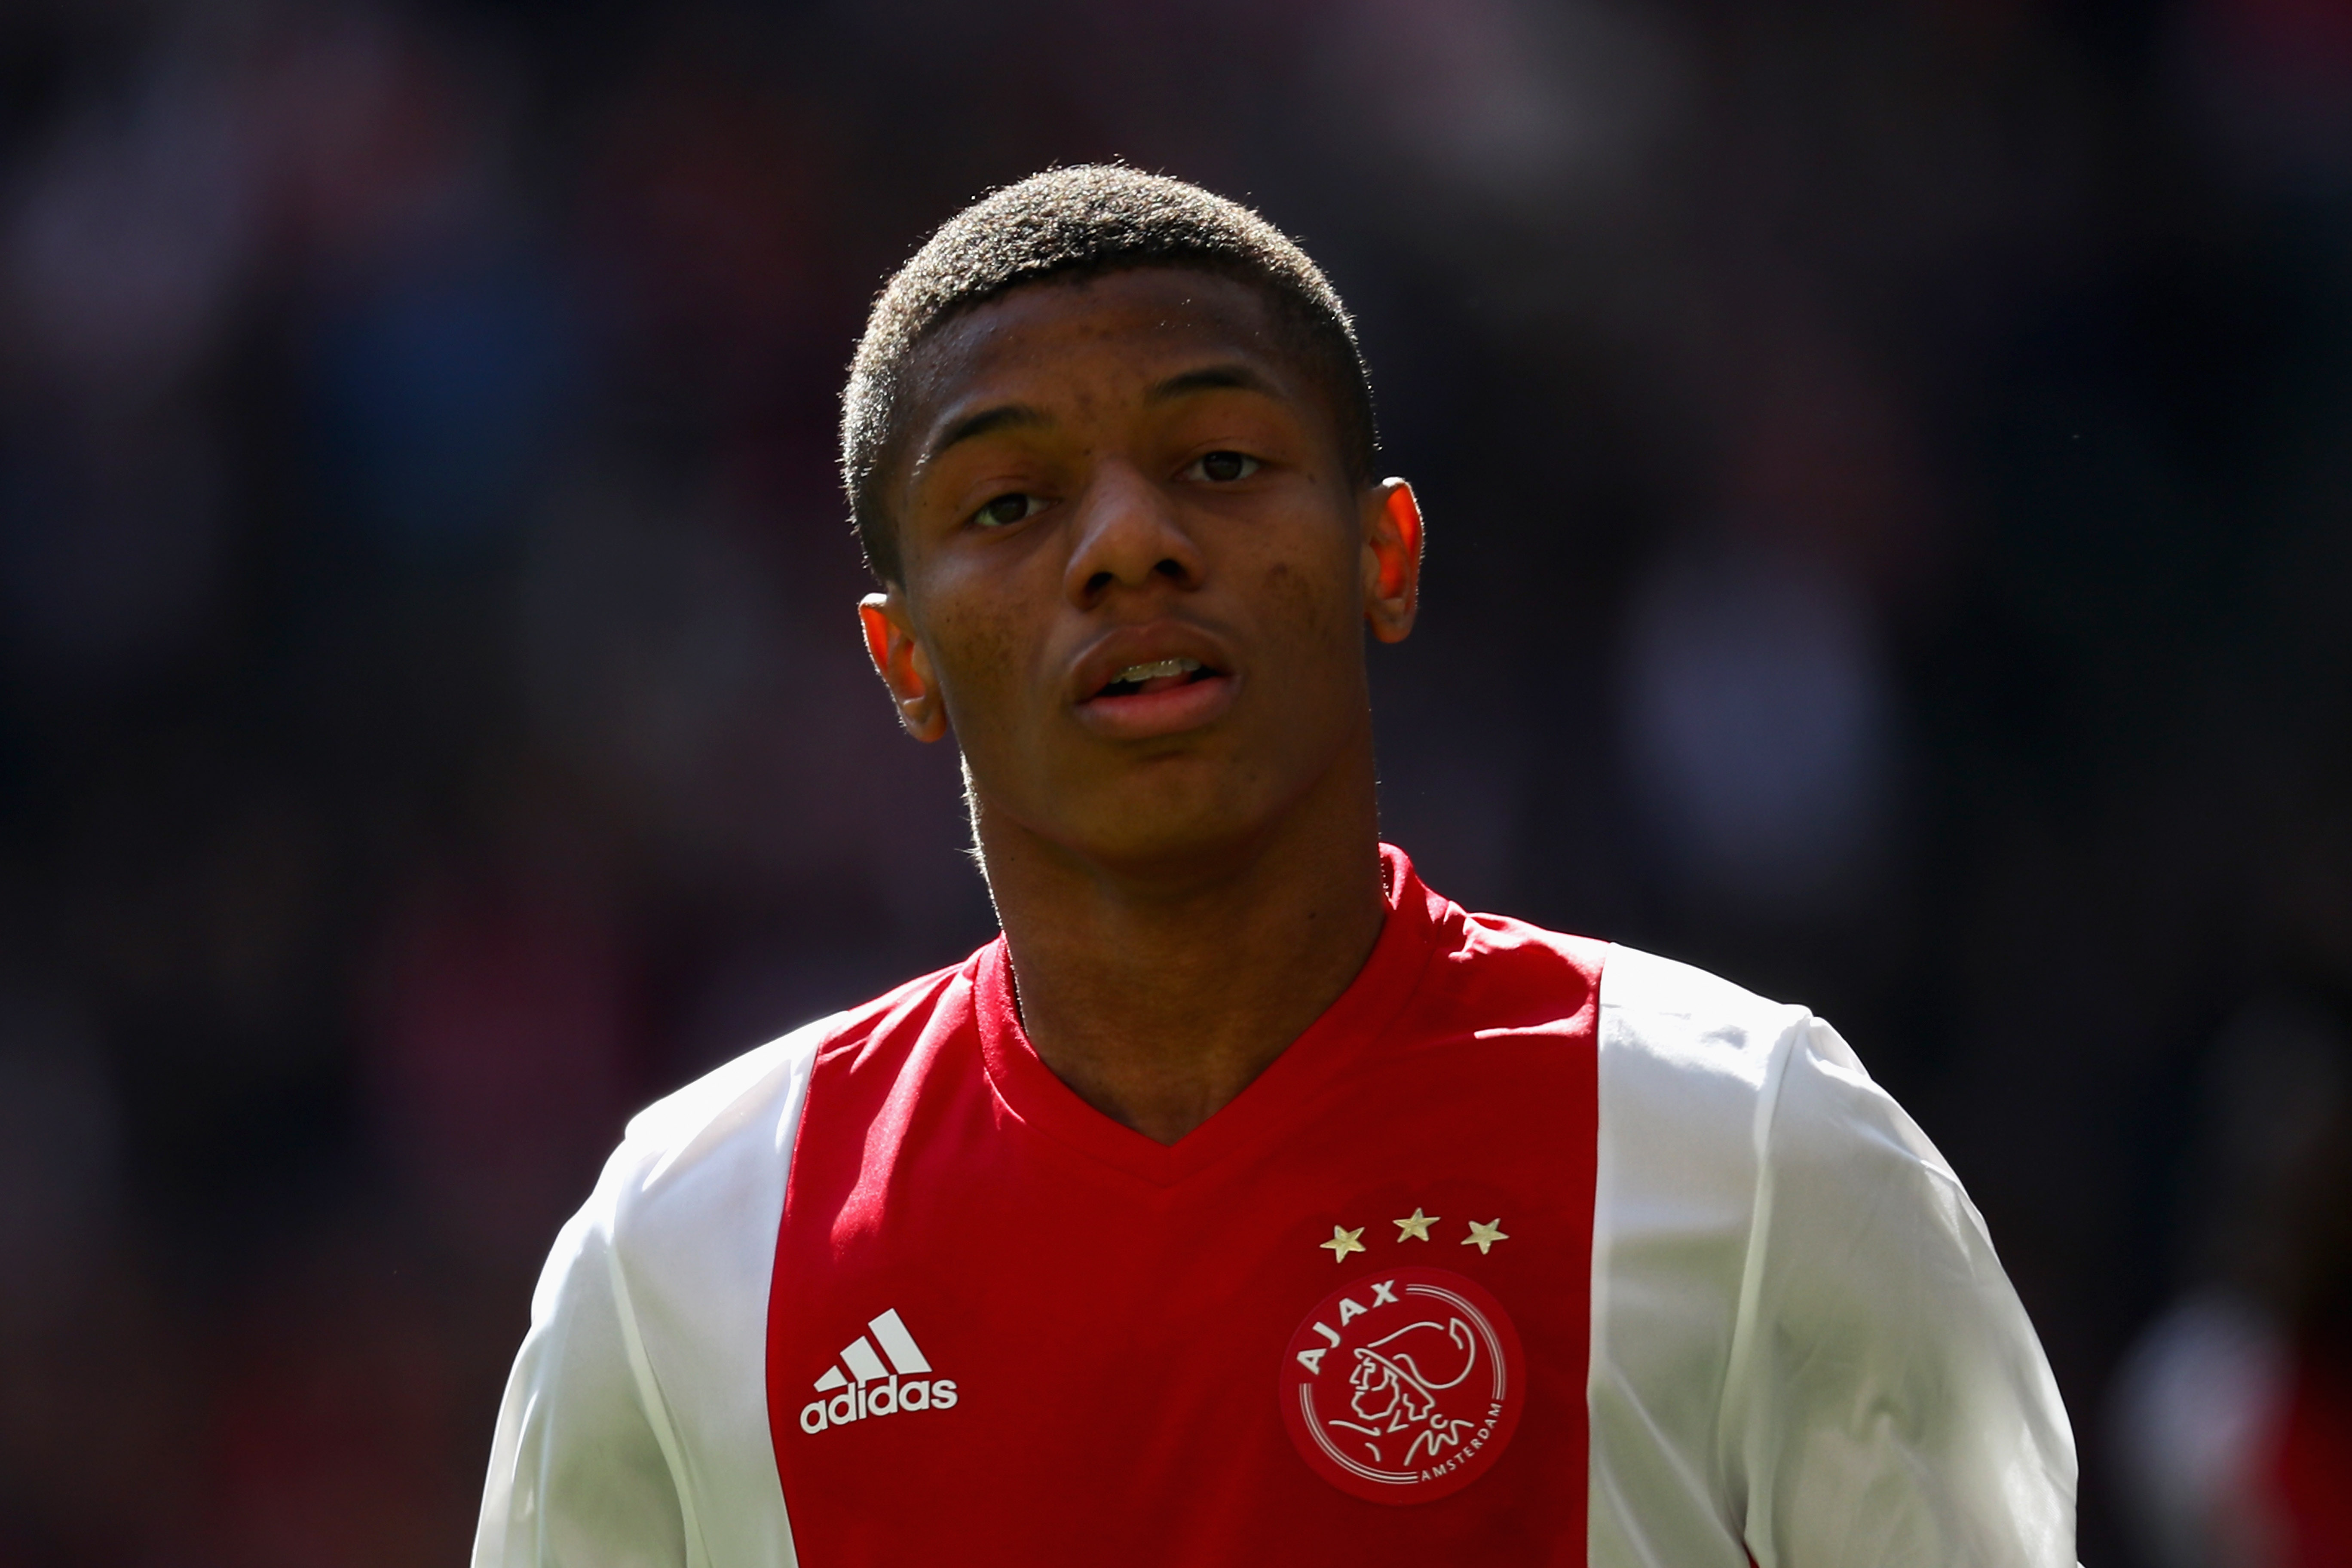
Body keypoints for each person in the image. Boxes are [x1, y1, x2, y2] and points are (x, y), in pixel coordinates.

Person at [472, 166, 2077, 1567]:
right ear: (902, 657)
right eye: (1011, 501)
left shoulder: (1760, 1149)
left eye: (1221, 466)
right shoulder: (682, 1252)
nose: (1126, 542)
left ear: (1385, 556)